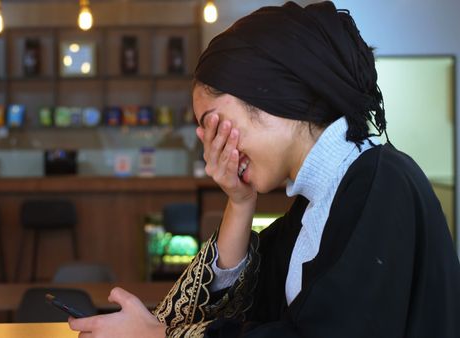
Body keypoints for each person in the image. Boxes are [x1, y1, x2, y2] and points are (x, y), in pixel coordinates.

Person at [69, 1, 460, 337]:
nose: (208, 143)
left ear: (266, 95)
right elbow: (223, 312)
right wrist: (240, 202)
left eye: (213, 122)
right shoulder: (316, 202)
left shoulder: (379, 183)